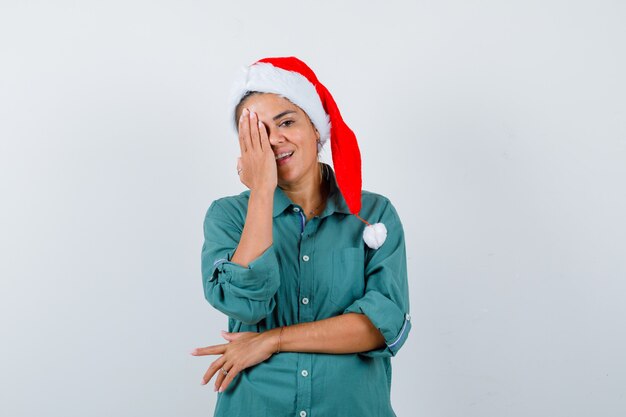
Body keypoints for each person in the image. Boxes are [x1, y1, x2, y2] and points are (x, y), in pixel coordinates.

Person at [191, 56, 412, 417]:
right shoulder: (228, 215)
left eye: (287, 122)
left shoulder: (374, 216)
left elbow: (379, 326)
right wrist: (262, 191)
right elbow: (243, 304)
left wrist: (272, 341)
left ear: (315, 128)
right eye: (258, 132)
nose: (274, 139)